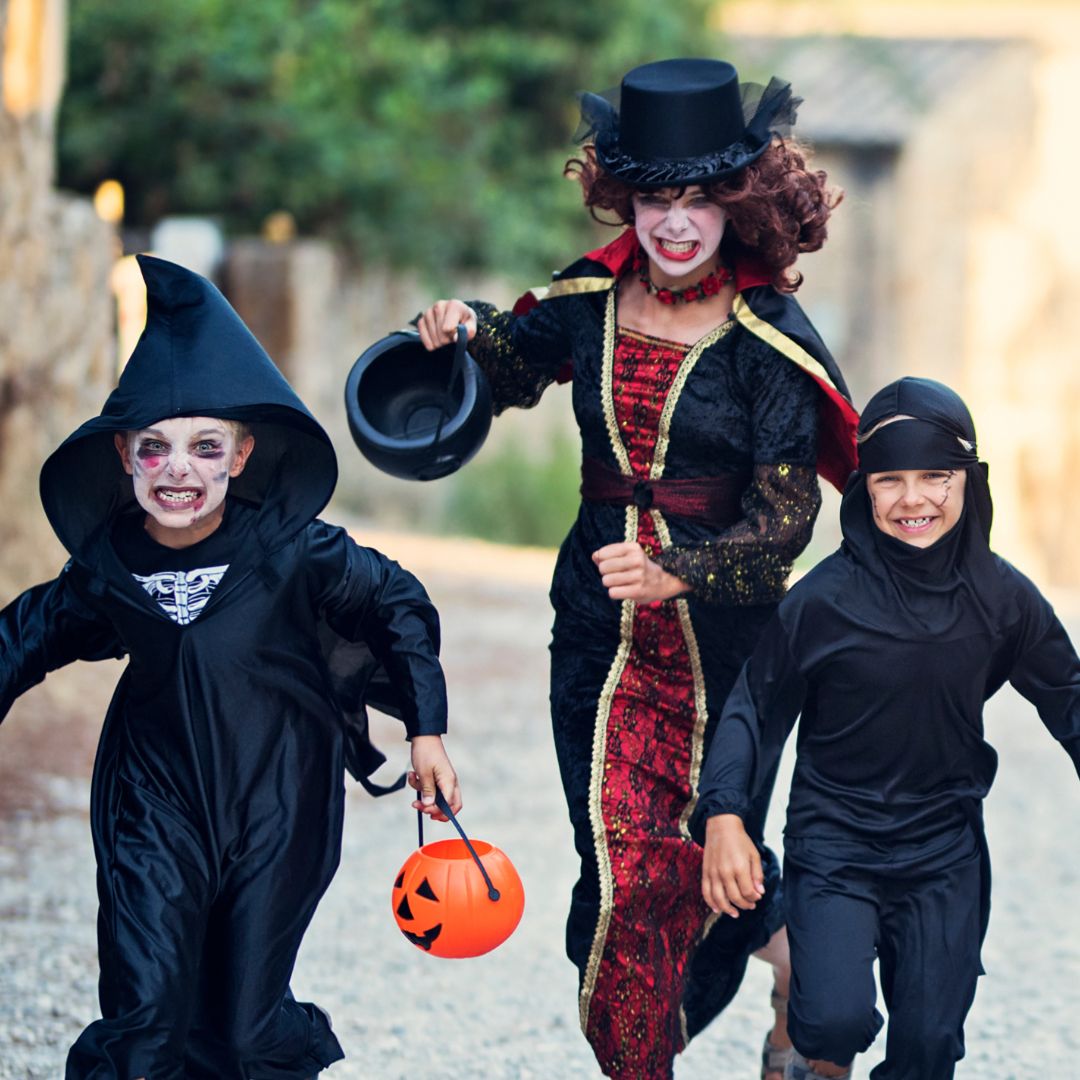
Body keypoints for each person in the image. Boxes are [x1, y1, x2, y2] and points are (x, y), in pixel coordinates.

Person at [416, 57, 858, 1080]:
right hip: (594, 630)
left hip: (729, 641)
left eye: (699, 200)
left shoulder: (768, 343)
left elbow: (789, 518)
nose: (674, 224)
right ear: (629, 198)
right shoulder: (588, 299)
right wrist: (456, 324)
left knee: (707, 845)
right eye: (656, 198)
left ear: (735, 205)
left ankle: (787, 975)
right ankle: (679, 1031)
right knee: (616, 854)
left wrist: (679, 573)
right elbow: (512, 363)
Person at [0, 255, 461, 1079]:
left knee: (245, 1029)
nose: (179, 469)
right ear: (125, 457)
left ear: (243, 455)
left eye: (204, 447)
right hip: (153, 796)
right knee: (146, 1014)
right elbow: (24, 636)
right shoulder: (111, 566)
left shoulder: (293, 550)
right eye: (156, 449)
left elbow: (396, 602)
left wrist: (427, 730)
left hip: (278, 798)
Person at [696, 377, 1080, 1079]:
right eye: (889, 480)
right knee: (832, 1022)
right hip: (835, 840)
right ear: (863, 488)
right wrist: (724, 816)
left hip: (944, 850)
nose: (913, 500)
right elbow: (754, 709)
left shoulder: (1003, 600)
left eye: (936, 476)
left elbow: (1070, 699)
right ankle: (801, 1028)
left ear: (969, 479)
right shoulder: (822, 603)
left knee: (929, 1049)